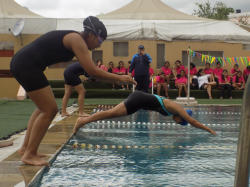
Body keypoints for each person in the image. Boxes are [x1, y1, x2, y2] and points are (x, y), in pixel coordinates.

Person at [10, 16, 136, 166]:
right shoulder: (77, 40)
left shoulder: (75, 38)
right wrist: (121, 78)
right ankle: (30, 155)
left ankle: (26, 149)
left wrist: (117, 79)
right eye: (100, 41)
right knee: (49, 110)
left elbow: (91, 72)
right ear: (91, 35)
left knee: (42, 108)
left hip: (24, 63)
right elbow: (93, 72)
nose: (98, 46)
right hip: (27, 65)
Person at [74, 91, 217, 135]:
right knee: (110, 114)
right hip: (138, 100)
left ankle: (83, 120)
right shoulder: (177, 108)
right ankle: (82, 121)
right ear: (182, 117)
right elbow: (194, 122)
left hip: (139, 100)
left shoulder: (173, 111)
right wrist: (210, 130)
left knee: (111, 113)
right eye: (181, 122)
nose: (178, 122)